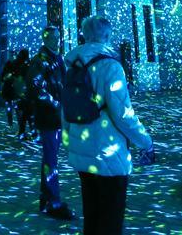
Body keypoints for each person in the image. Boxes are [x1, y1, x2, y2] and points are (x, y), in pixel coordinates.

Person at [63, 16, 154, 234]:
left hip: (81, 150)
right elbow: (123, 114)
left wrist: (68, 142)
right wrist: (146, 141)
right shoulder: (111, 66)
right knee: (110, 219)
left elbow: (65, 110)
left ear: (85, 35)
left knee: (92, 214)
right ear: (107, 36)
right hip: (108, 152)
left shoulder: (73, 66)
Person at [25, 26, 73, 220]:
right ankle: (53, 201)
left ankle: (47, 199)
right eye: (52, 37)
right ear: (45, 39)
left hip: (57, 117)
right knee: (51, 160)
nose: (56, 40)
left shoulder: (57, 58)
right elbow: (34, 86)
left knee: (50, 159)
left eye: (58, 37)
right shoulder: (41, 60)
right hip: (49, 117)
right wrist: (55, 103)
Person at [0, 49, 29, 130]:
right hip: (15, 90)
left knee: (11, 107)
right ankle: (19, 128)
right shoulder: (25, 65)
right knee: (17, 109)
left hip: (9, 88)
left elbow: (2, 77)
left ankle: (11, 124)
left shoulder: (10, 63)